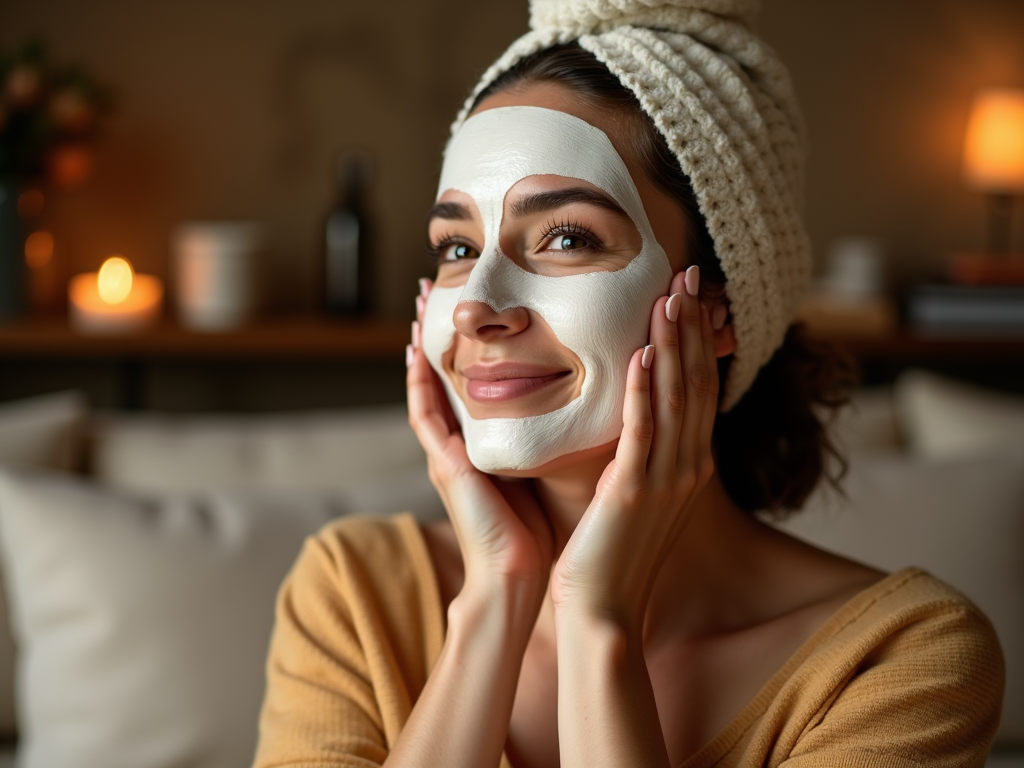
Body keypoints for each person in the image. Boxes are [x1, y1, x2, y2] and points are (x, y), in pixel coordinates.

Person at [253, 1, 1004, 766]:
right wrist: (494, 603)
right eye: (455, 246)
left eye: (567, 238)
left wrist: (597, 620)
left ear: (718, 307)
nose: (476, 306)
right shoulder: (353, 594)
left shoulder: (900, 658)